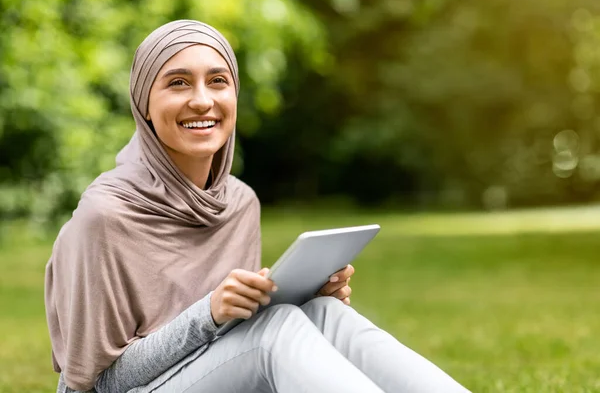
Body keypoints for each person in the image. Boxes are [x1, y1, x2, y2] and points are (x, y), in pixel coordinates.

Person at [44, 20, 470, 393]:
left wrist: (300, 295)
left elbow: (231, 344)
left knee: (322, 313)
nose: (201, 100)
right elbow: (100, 382)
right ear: (144, 106)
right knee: (273, 331)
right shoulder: (105, 216)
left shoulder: (238, 201)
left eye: (217, 81)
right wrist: (208, 313)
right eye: (177, 82)